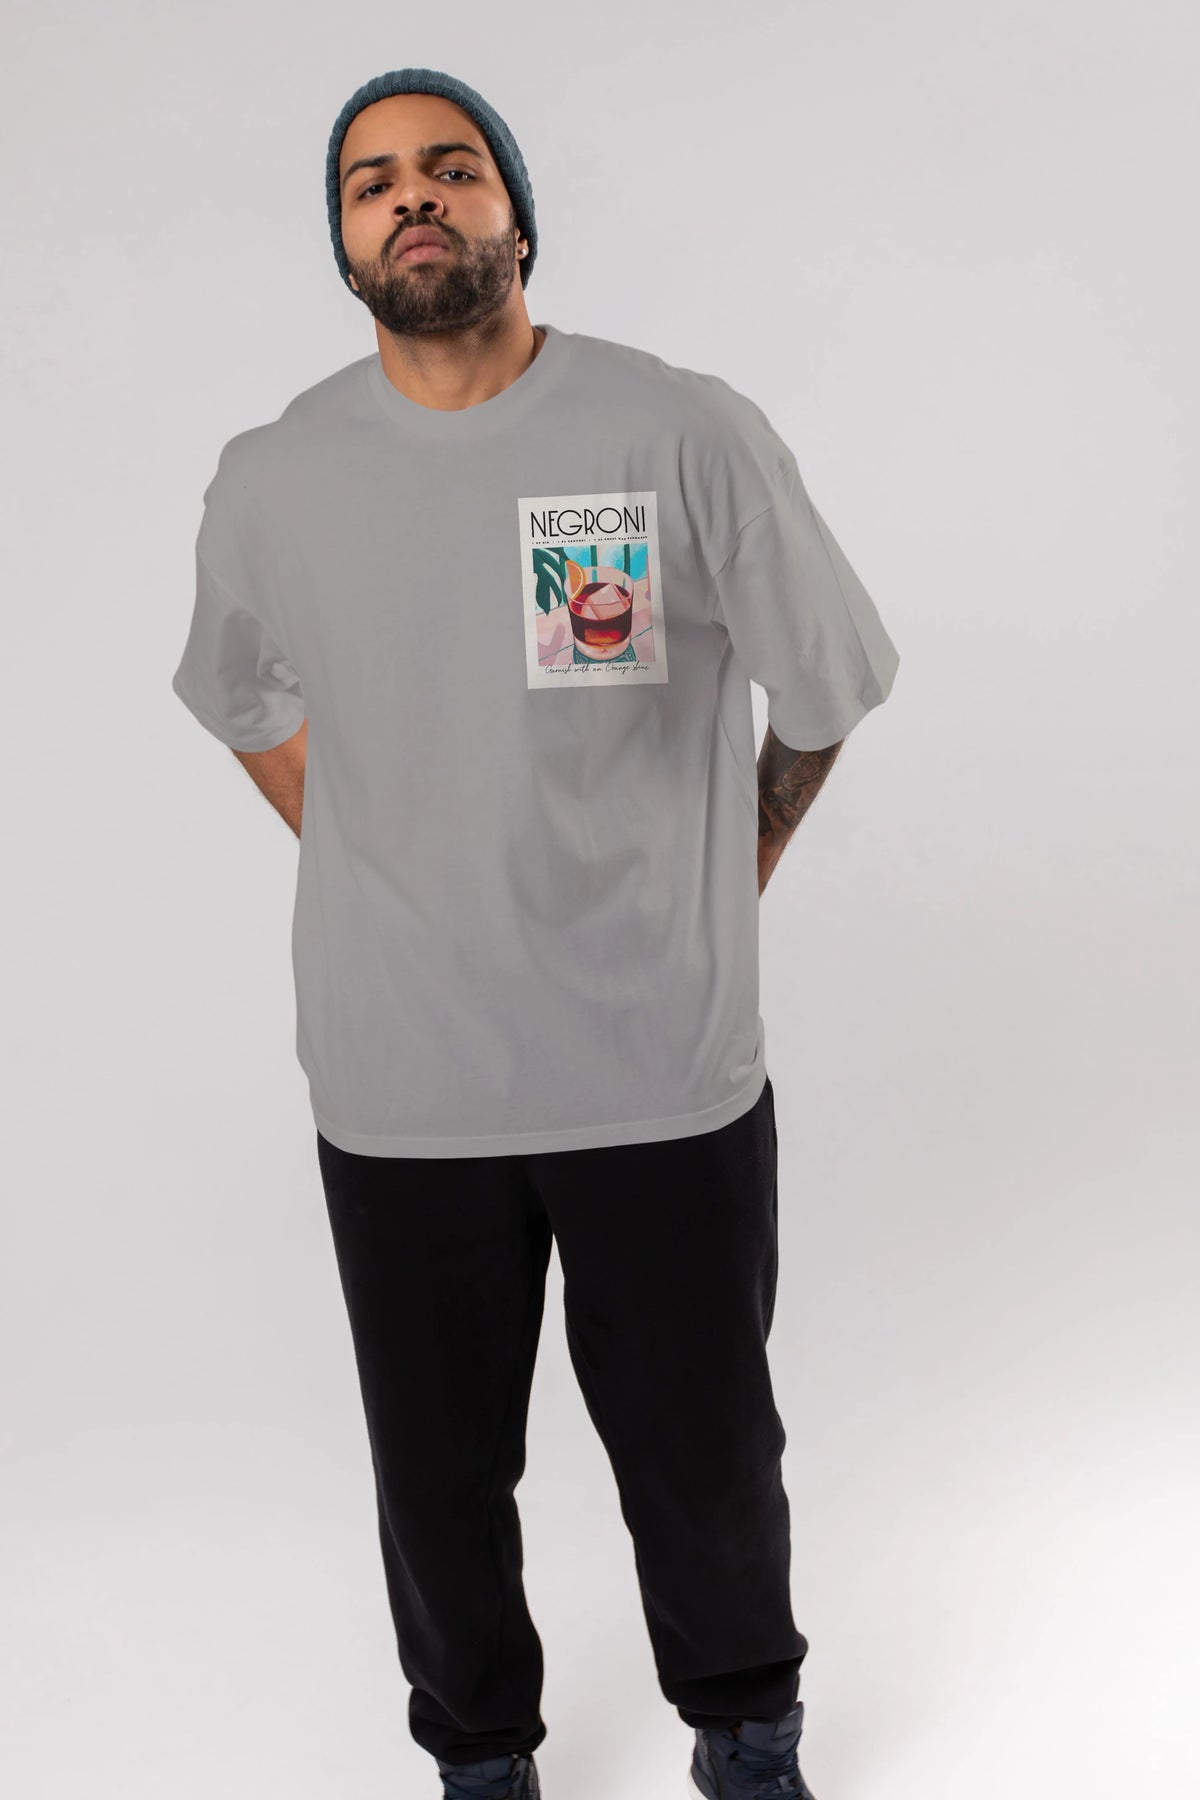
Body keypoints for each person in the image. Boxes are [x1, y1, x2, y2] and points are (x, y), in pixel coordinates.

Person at [170, 65, 900, 1800]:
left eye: (452, 167)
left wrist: (735, 864)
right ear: (344, 242)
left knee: (705, 1451)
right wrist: (379, 853)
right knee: (436, 1476)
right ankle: (481, 1759)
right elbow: (239, 697)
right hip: (401, 1084)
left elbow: (826, 685)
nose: (413, 197)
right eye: (372, 183)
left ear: (516, 213)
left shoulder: (677, 433)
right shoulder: (275, 476)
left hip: (659, 1066)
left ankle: (747, 1732)